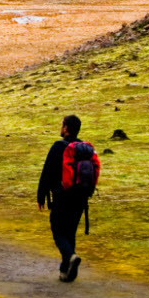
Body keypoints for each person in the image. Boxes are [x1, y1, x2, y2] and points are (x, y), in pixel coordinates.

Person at [37, 114, 99, 283]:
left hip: (62, 196)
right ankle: (66, 272)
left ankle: (70, 257)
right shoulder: (83, 148)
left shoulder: (58, 147)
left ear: (65, 128)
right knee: (70, 232)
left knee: (58, 231)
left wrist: (40, 196)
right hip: (80, 198)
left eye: (62, 124)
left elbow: (47, 172)